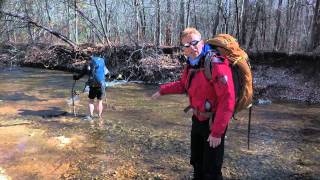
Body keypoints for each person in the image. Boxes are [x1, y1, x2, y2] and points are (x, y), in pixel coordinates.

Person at [151, 27, 235, 180]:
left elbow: (227, 100)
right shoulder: (191, 64)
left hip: (213, 122)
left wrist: (217, 132)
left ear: (201, 42)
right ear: (183, 49)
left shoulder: (216, 64)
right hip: (197, 120)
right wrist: (162, 91)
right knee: (197, 163)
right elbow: (183, 85)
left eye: (195, 43)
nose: (192, 47)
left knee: (212, 171)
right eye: (187, 45)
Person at [73, 48, 108, 124]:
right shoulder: (102, 61)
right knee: (100, 102)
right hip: (101, 84)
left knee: (91, 101)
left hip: (93, 85)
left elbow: (82, 73)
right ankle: (99, 117)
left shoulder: (88, 63)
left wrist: (76, 77)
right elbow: (106, 73)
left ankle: (91, 117)